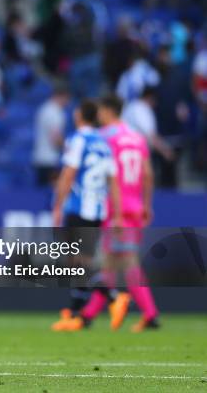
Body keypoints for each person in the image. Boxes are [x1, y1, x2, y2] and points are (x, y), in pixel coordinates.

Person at [66, 95, 160, 332]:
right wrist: (147, 205)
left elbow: (109, 175)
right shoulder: (137, 138)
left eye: (101, 112)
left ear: (107, 111)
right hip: (135, 207)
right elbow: (148, 174)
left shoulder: (105, 137)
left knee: (127, 264)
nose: (98, 116)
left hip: (113, 208)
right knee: (109, 265)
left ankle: (149, 314)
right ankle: (87, 315)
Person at [50, 99, 122, 331]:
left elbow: (68, 174)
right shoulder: (104, 143)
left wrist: (58, 206)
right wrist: (117, 214)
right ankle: (76, 314)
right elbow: (113, 182)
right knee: (79, 263)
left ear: (80, 115)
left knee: (77, 264)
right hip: (97, 211)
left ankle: (112, 297)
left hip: (79, 208)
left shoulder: (78, 139)